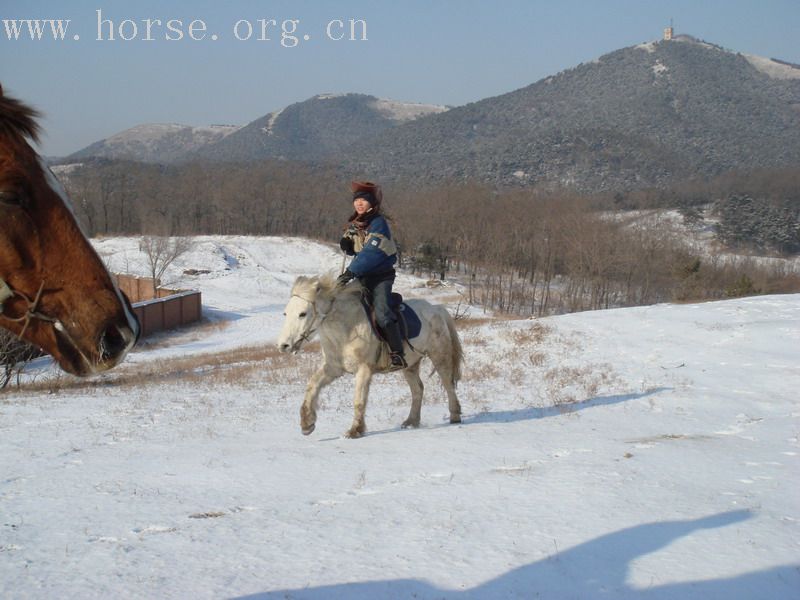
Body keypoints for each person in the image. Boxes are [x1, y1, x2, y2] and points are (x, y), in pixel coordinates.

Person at [337, 181, 407, 371]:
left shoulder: (378, 224)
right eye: (356, 200)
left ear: (372, 204)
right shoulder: (357, 222)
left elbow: (371, 253)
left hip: (380, 277)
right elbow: (357, 246)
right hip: (363, 276)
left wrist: (350, 272)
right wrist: (347, 244)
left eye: (363, 201)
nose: (359, 204)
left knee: (382, 312)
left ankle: (397, 354)